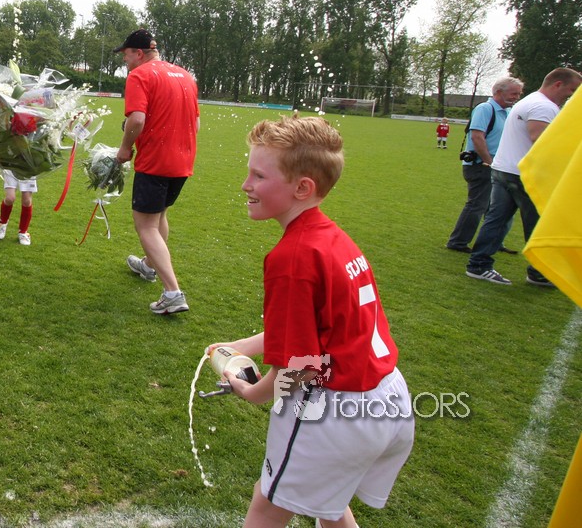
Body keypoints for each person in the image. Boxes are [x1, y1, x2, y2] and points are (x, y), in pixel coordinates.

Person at [209, 116, 413, 528]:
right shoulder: (333, 238)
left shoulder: (292, 258)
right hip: (388, 397)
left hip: (333, 407)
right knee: (328, 502)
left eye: (258, 175)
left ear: (302, 188)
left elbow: (301, 366)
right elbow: (324, 329)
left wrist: (253, 392)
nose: (246, 185)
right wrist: (245, 346)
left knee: (268, 503)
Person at [466, 67, 582, 286]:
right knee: (537, 224)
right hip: (524, 175)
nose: (571, 96)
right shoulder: (543, 106)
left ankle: (478, 264)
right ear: (558, 84)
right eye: (571, 90)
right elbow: (540, 139)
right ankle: (539, 272)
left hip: (505, 169)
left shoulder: (529, 101)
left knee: (496, 220)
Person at [113, 29, 200, 315]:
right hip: (183, 161)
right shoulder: (185, 75)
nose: (124, 60)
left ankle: (172, 293)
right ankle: (148, 266)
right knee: (159, 215)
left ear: (139, 53)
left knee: (146, 225)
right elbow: (196, 124)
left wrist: (125, 148)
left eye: (126, 54)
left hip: (156, 161)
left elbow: (137, 119)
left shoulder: (140, 75)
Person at [446, 77, 523, 253]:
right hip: (481, 165)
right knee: (478, 205)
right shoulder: (485, 109)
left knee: (501, 207)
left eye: (519, 94)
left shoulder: (509, 112)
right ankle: (458, 242)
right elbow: (477, 137)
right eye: (514, 93)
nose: (517, 97)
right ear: (499, 92)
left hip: (499, 165)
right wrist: (489, 161)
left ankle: (495, 241)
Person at [0, 170, 36, 245]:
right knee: (10, 198)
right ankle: (2, 223)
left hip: (28, 170)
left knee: (26, 201)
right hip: (11, 169)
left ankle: (23, 232)